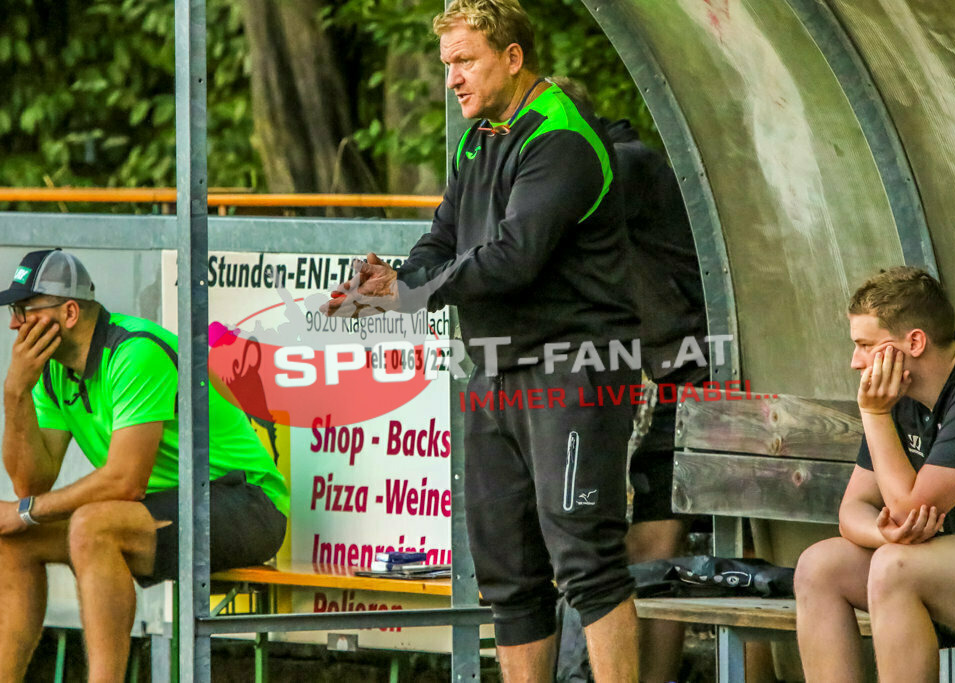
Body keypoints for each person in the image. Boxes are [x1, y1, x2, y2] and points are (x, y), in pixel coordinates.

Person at [324, 1, 640, 679]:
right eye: (447, 65)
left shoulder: (561, 138)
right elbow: (444, 236)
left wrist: (408, 294)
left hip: (576, 370)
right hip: (493, 372)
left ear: (514, 57)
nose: (452, 80)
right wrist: (390, 279)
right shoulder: (480, 134)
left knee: (586, 561)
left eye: (464, 61)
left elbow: (511, 258)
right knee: (507, 571)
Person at [0, 249, 289, 682]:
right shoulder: (53, 373)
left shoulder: (135, 352)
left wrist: (26, 511)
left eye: (24, 311)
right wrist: (15, 394)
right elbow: (32, 481)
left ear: (70, 312)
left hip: (248, 503)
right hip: (171, 505)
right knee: (15, 542)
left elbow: (125, 480)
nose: (13, 325)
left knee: (91, 526)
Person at [794, 266, 955, 681]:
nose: (855, 362)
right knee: (819, 565)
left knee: (895, 567)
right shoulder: (898, 391)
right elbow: (853, 510)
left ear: (914, 342)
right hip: (944, 555)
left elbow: (909, 508)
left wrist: (874, 413)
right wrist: (886, 535)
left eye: (865, 345)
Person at [553, 76, 709, 683]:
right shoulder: (602, 165)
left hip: (681, 377)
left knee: (653, 548)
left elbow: (536, 236)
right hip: (632, 380)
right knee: (607, 544)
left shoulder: (627, 167)